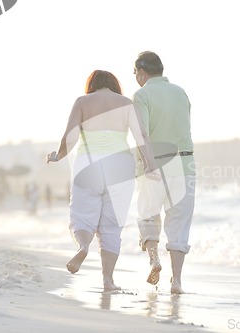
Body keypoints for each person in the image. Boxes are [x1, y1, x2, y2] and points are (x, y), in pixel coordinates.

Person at [47, 70, 159, 291]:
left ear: (92, 84)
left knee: (81, 215)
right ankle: (108, 280)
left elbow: (70, 135)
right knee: (111, 226)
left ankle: (83, 246)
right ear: (114, 84)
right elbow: (141, 136)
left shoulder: (82, 102)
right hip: (120, 166)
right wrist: (150, 164)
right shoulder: (126, 103)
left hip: (88, 165)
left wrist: (58, 155)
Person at [133, 51, 196, 294]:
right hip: (185, 165)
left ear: (141, 71)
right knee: (179, 223)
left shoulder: (141, 95)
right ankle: (177, 281)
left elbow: (142, 133)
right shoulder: (181, 93)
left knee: (148, 215)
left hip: (155, 163)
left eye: (135, 73)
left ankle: (153, 260)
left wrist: (148, 162)